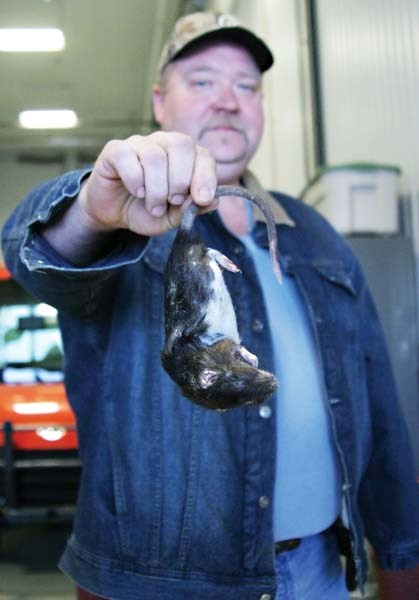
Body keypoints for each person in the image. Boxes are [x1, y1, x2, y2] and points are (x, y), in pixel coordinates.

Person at [2, 11, 419, 600]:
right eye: (201, 81)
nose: (228, 100)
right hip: (156, 587)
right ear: (160, 102)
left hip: (320, 574)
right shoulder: (122, 227)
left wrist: (402, 559)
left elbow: (380, 413)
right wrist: (92, 210)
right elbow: (39, 258)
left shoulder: (320, 237)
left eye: (246, 85)